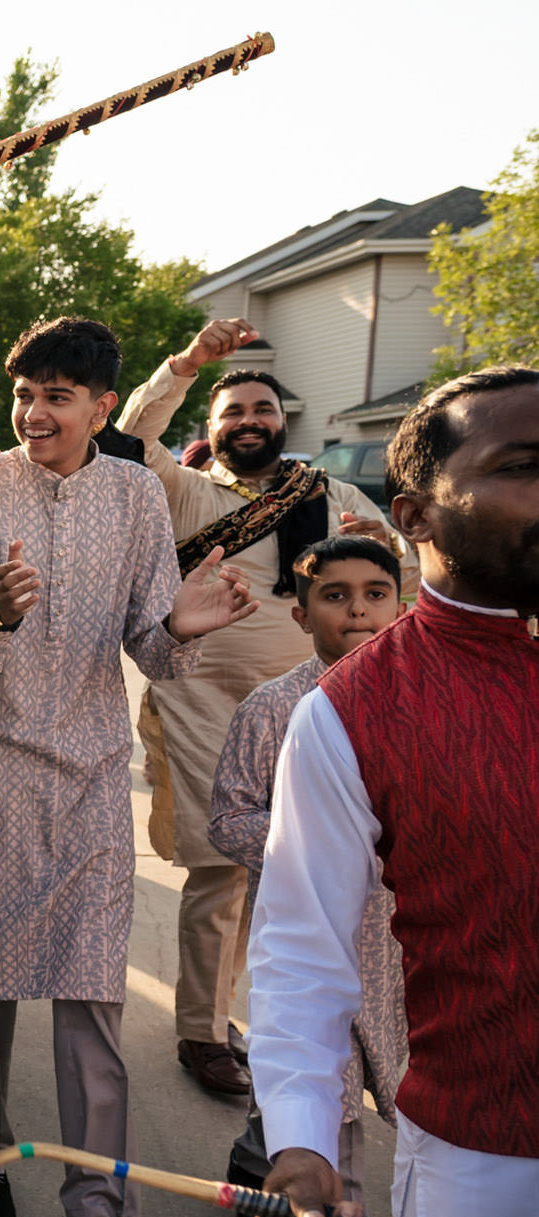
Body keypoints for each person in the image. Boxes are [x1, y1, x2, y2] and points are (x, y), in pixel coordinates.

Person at [0, 316, 256, 1217]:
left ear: (101, 407)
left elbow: (150, 644)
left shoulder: (136, 496)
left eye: (56, 396)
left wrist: (179, 627)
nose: (34, 412)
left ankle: (97, 1214)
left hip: (89, 777)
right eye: (25, 394)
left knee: (91, 1003)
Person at [248, 369, 539, 1217]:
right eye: (521, 467)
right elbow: (298, 951)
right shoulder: (351, 714)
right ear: (413, 515)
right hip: (495, 1182)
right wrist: (300, 1142)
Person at [118, 317, 409, 1097]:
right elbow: (127, 439)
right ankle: (200, 1034)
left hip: (315, 709)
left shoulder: (330, 492)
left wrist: (383, 542)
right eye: (233, 413)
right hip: (203, 702)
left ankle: (229, 1010)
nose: (250, 421)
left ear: (283, 422)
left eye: (263, 410)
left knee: (287, 871)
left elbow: (398, 578)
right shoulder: (183, 489)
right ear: (212, 431)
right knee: (221, 870)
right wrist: (184, 364)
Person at [208, 534, 405, 1217]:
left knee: (388, 1096)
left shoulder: (418, 704)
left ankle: (259, 1153)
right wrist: (320, 843)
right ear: (301, 611)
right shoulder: (275, 707)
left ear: (403, 604)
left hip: (402, 955)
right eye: (335, 595)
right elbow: (229, 818)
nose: (356, 611)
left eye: (373, 594)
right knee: (326, 1102)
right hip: (313, 940)